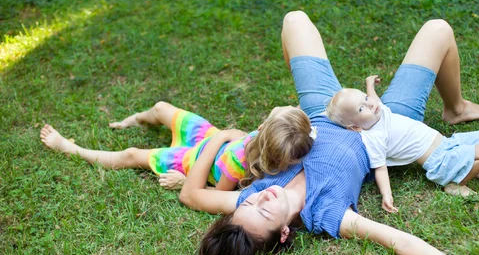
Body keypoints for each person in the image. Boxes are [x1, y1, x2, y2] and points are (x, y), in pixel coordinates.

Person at [179, 11, 479, 255]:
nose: (260, 196)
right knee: (438, 30)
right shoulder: (326, 214)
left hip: (320, 110)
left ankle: (456, 107)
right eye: (264, 210)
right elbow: (400, 241)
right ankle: (454, 110)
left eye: (249, 204)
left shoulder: (250, 198)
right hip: (384, 128)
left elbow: (190, 195)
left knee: (294, 20)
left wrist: (220, 136)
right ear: (283, 233)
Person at [40, 101, 313, 190]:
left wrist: (184, 182)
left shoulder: (236, 164)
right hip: (209, 137)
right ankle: (133, 121)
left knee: (132, 155)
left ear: (263, 129)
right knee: (160, 108)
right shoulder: (281, 136)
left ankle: (68, 147)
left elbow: (216, 195)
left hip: (192, 160)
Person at [325, 74, 479, 212]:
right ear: (355, 126)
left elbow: (375, 99)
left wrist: (369, 85)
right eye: (361, 108)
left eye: (366, 98)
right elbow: (380, 168)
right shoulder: (373, 137)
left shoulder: (380, 112)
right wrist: (386, 195)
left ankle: (469, 168)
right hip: (440, 159)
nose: (370, 104)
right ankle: (455, 184)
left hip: (448, 143)